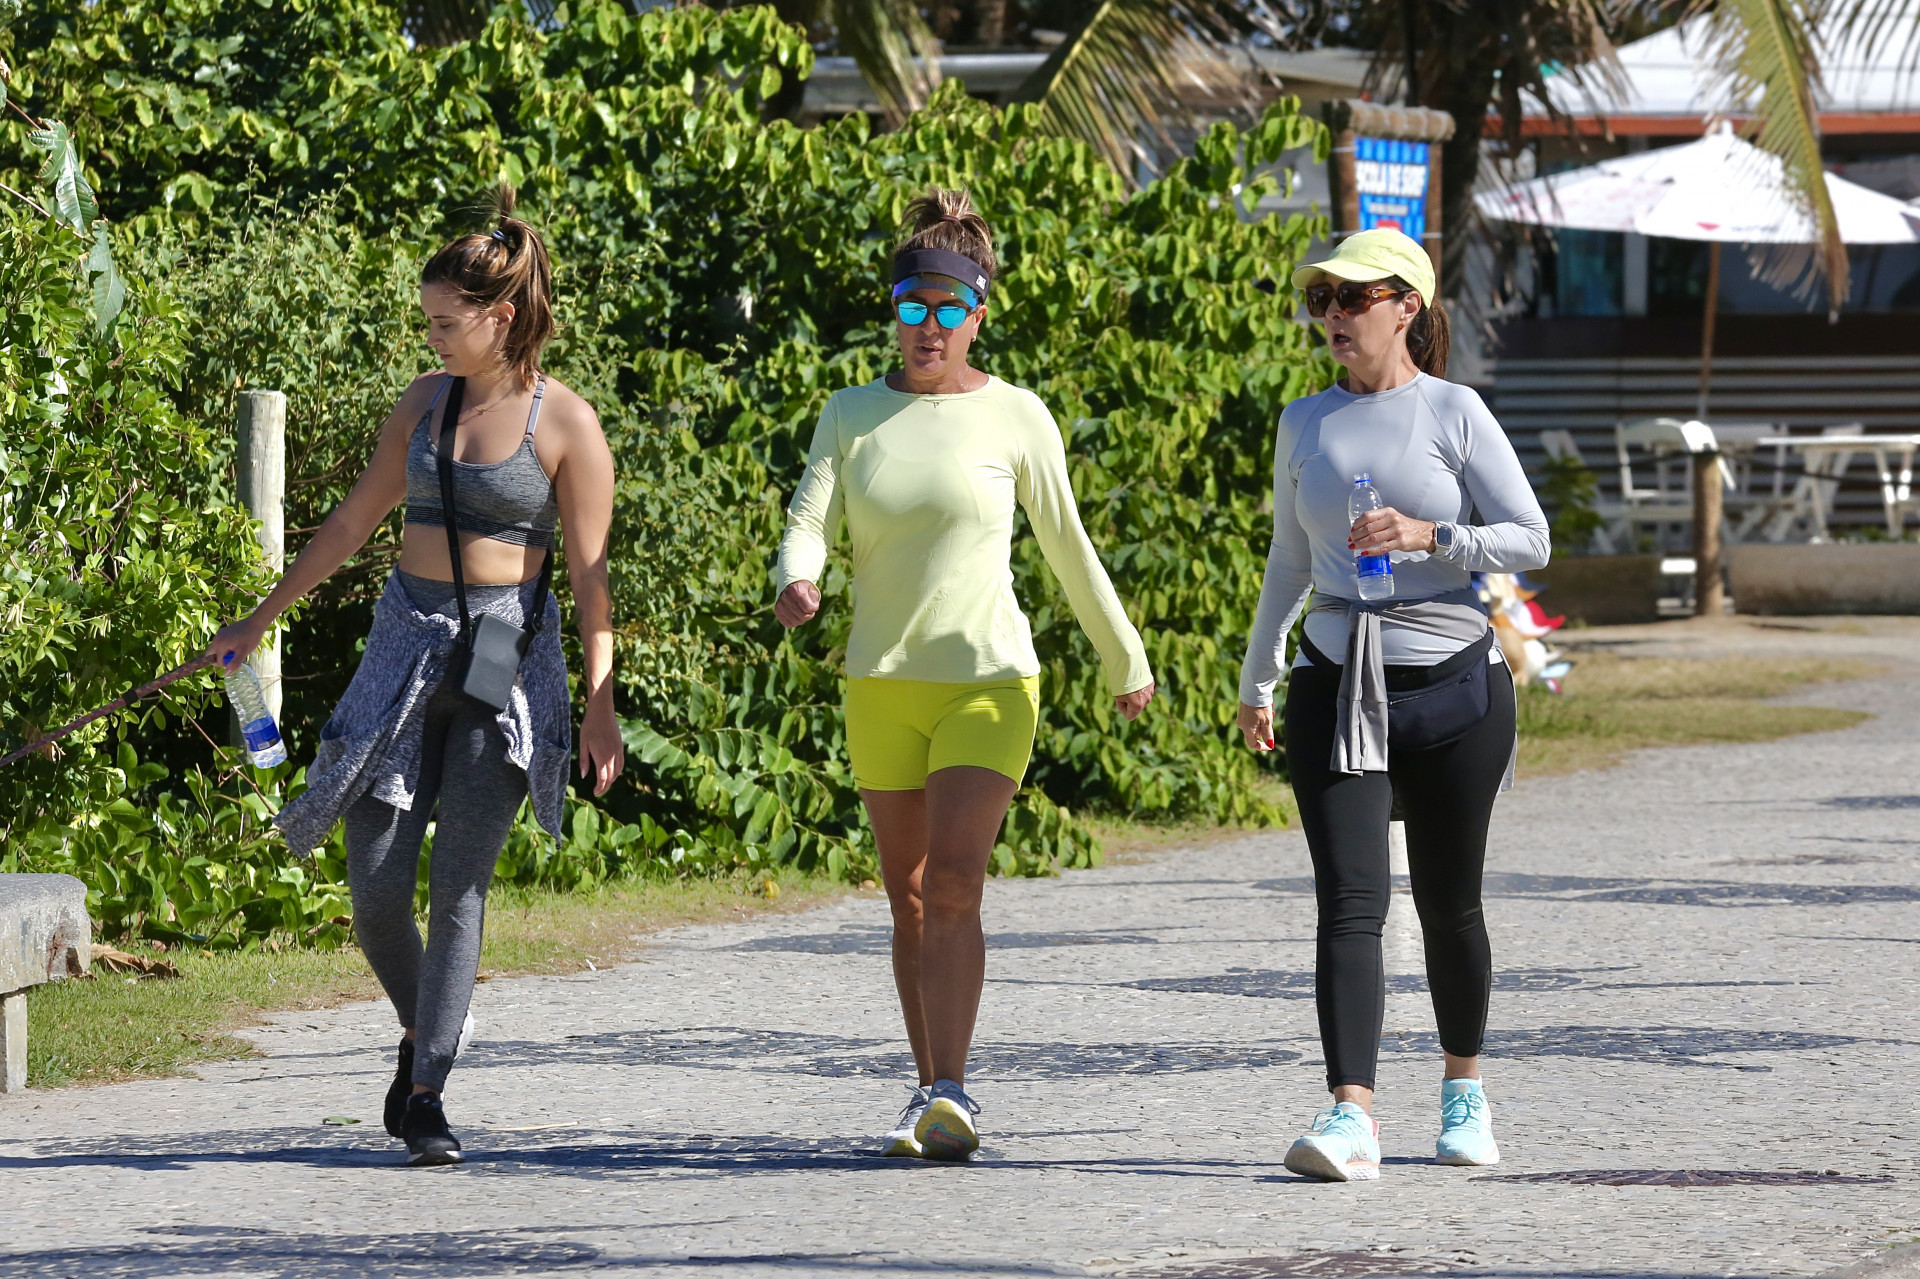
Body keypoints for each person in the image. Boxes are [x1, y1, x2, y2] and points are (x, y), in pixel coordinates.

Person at [207, 188, 624, 1167]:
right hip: (404, 647)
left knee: (463, 887)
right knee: (377, 888)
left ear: (501, 316)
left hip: (502, 668)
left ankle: (428, 1090)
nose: (432, 336)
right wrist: (257, 622)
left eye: (446, 321)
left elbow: (594, 581)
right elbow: (353, 524)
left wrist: (600, 705)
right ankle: (424, 1026)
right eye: (428, 320)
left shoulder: (566, 423)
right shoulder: (423, 403)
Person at [774, 188, 1156, 1161]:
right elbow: (808, 516)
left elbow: (1067, 545)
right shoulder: (851, 414)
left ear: (979, 311)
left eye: (948, 308)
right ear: (893, 312)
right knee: (903, 891)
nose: (928, 326)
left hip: (990, 681)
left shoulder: (1017, 417)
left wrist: (1126, 655)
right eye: (912, 306)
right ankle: (928, 1086)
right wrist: (799, 578)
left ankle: (953, 1087)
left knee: (953, 879)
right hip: (881, 686)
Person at [1235, 228, 1549, 1182]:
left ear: (1405, 306)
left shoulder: (1453, 410)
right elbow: (1290, 559)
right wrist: (1259, 673)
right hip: (1336, 678)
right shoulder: (1304, 422)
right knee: (1350, 903)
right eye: (1321, 300)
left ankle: (1464, 1092)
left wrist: (1430, 533)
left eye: (1351, 298)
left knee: (1451, 904)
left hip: (1454, 680)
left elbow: (1530, 538)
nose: (1332, 315)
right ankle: (1351, 1115)